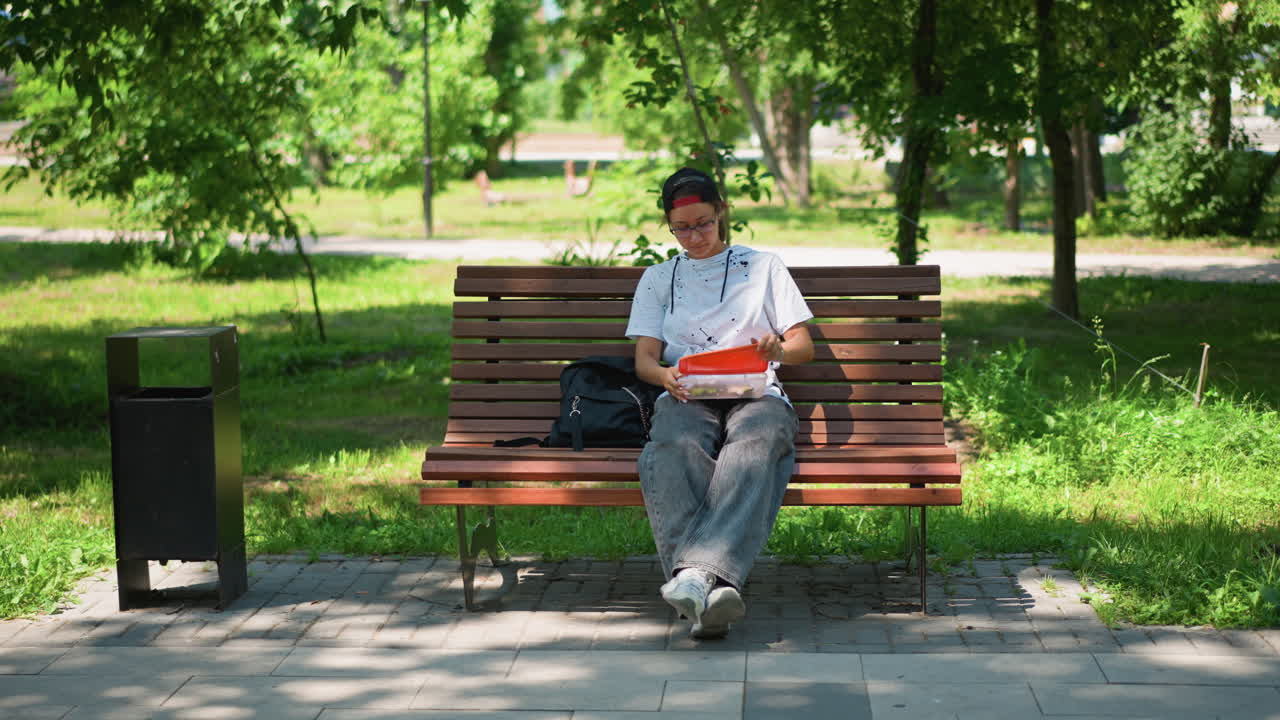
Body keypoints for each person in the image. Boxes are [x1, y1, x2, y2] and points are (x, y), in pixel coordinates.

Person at [625, 167, 815, 639]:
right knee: (671, 445)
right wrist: (664, 375)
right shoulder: (658, 278)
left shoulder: (764, 266)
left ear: (722, 213)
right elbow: (645, 361)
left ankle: (693, 580)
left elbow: (802, 347)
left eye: (704, 223)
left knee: (756, 443)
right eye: (682, 228)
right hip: (687, 392)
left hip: (756, 392)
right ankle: (713, 593)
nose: (695, 236)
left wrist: (778, 351)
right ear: (669, 224)